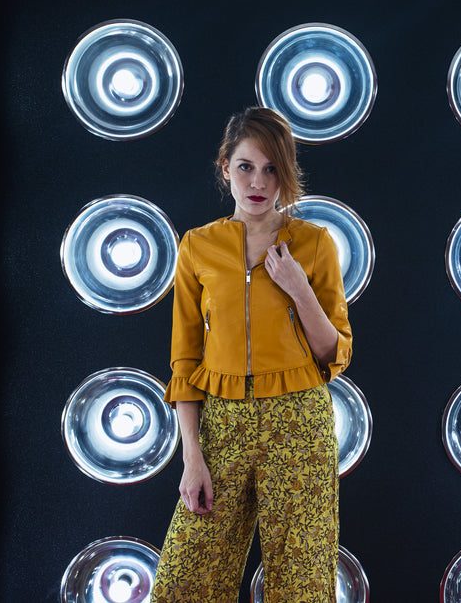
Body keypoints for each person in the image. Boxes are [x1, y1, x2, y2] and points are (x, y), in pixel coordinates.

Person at [150, 107, 353, 603]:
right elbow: (184, 361)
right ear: (225, 168)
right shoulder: (198, 247)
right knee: (185, 579)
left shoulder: (314, 243)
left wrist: (299, 289)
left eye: (271, 169)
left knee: (302, 580)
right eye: (246, 166)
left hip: (299, 420)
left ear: (285, 174)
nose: (258, 181)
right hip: (221, 423)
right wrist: (191, 457)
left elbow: (335, 352)